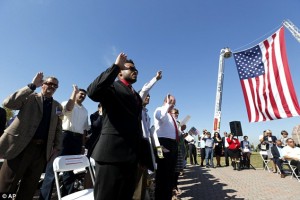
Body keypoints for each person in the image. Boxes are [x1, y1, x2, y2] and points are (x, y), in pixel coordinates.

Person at [87, 53, 143, 200]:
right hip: (111, 156)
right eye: (130, 68)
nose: (135, 70)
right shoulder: (112, 87)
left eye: (136, 68)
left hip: (131, 158)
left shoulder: (136, 96)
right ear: (120, 73)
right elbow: (92, 92)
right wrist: (115, 66)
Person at [0, 72, 62, 200]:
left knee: (29, 188)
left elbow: (58, 128)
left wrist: (57, 147)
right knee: (6, 186)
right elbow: (8, 103)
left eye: (55, 85)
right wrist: (32, 85)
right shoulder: (30, 97)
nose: (51, 86)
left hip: (41, 152)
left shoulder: (57, 106)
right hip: (19, 147)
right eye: (49, 83)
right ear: (42, 85)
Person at [39, 85, 89, 199]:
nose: (82, 95)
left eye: (84, 95)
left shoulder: (85, 111)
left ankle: (68, 196)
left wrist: (82, 144)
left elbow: (84, 129)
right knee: (52, 169)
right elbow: (68, 110)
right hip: (64, 137)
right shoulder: (66, 103)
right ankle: (44, 197)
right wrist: (74, 92)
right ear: (75, 94)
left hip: (77, 140)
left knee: (69, 170)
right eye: (80, 93)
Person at [133, 70, 162, 200]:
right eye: (146, 96)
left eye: (150, 97)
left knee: (147, 178)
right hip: (138, 147)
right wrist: (155, 79)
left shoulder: (146, 114)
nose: (148, 98)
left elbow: (151, 134)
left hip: (147, 147)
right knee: (138, 181)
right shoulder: (136, 108)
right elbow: (144, 89)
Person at [153, 94, 178, 200]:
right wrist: (167, 105)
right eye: (172, 102)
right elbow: (160, 117)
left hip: (172, 144)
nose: (173, 105)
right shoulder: (159, 110)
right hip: (162, 143)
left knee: (170, 174)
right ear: (166, 101)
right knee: (162, 174)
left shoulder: (171, 116)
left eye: (174, 103)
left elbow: (174, 131)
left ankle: (167, 196)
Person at [170, 108, 186, 198]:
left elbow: (178, 136)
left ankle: (175, 186)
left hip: (177, 147)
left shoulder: (178, 122)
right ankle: (172, 189)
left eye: (178, 113)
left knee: (177, 170)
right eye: (175, 112)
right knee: (171, 170)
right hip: (170, 147)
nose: (177, 114)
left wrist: (182, 132)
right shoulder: (168, 121)